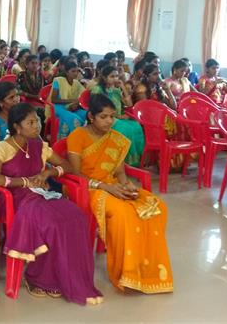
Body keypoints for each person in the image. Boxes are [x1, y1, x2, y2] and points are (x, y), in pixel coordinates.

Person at [0, 103, 103, 305]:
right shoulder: (2, 147)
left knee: (76, 216)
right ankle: (38, 277)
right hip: (16, 198)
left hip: (42, 194)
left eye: (37, 121)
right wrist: (25, 182)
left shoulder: (39, 146)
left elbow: (66, 166)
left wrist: (48, 172)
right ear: (17, 127)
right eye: (30, 123)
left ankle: (64, 275)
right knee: (51, 223)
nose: (37, 126)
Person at [67, 94, 173, 294]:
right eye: (103, 117)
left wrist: (127, 186)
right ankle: (127, 272)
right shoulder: (77, 136)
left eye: (111, 116)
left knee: (157, 207)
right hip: (88, 188)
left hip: (112, 185)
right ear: (91, 116)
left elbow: (120, 172)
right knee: (123, 214)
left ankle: (146, 269)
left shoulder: (115, 138)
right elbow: (75, 173)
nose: (109, 121)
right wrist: (106, 187)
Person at [90, 66, 144, 166]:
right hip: (105, 117)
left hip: (118, 117)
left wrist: (122, 87)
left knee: (136, 126)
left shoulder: (116, 90)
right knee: (126, 128)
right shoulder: (97, 89)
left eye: (116, 76)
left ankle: (137, 158)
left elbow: (129, 104)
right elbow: (96, 108)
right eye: (112, 76)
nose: (115, 79)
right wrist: (117, 117)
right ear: (104, 78)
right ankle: (124, 161)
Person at [49, 61, 87, 140]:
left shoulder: (77, 83)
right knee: (75, 119)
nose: (76, 73)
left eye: (77, 71)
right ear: (66, 72)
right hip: (57, 107)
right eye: (73, 71)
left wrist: (76, 104)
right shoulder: (58, 81)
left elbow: (83, 96)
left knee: (87, 115)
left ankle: (83, 140)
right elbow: (54, 100)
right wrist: (72, 101)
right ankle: (68, 141)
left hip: (71, 106)